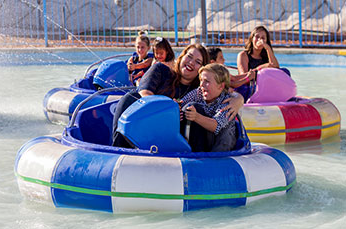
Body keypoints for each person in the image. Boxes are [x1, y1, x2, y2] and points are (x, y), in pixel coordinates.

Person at [112, 44, 244, 148]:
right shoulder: (161, 70)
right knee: (130, 97)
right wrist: (171, 109)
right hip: (149, 125)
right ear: (181, 57)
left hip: (177, 137)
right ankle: (118, 147)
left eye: (198, 62)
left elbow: (227, 91)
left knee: (194, 108)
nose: (191, 63)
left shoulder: (200, 89)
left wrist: (238, 100)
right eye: (189, 56)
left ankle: (197, 158)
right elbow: (144, 94)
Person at [179, 63, 237, 152]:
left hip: (220, 143)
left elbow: (216, 126)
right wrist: (177, 109)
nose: (202, 84)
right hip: (203, 141)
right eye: (201, 80)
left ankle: (215, 158)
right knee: (190, 107)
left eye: (207, 81)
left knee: (226, 129)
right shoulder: (199, 92)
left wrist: (196, 117)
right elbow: (182, 103)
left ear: (221, 86)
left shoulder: (227, 102)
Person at [234, 25, 280, 102]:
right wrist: (262, 67)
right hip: (249, 88)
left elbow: (276, 68)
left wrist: (267, 48)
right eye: (257, 37)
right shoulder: (243, 55)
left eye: (263, 38)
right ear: (252, 38)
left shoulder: (266, 56)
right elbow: (244, 77)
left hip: (265, 87)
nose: (259, 40)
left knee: (285, 71)